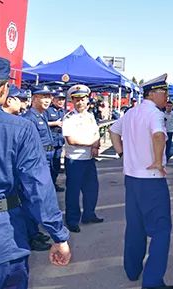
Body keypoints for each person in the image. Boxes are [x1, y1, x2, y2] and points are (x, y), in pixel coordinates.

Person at [0, 56, 71, 288]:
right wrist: (58, 235)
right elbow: (38, 187)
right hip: (2, 239)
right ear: (4, 90)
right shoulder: (20, 128)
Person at [110, 74, 173, 289]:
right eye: (164, 92)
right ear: (153, 93)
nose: (166, 96)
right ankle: (153, 281)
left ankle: (132, 270)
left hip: (132, 178)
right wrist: (158, 160)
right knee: (161, 229)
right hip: (151, 179)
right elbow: (158, 136)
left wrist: (121, 153)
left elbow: (113, 130)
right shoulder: (154, 114)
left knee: (135, 226)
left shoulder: (131, 112)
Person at [62, 84, 103, 233]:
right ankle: (72, 220)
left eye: (83, 99)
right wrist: (91, 144)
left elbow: (96, 133)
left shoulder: (90, 116)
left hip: (88, 159)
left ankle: (89, 214)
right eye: (76, 99)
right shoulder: (69, 118)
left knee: (92, 189)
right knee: (73, 191)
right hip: (74, 160)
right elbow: (71, 140)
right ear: (72, 101)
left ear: (88, 100)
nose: (80, 102)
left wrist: (95, 145)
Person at [22, 84, 58, 251]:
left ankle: (35, 232)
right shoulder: (29, 117)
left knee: (40, 197)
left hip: (47, 158)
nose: (48, 100)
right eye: (44, 97)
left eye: (49, 97)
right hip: (38, 161)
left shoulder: (41, 115)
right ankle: (31, 236)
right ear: (34, 98)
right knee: (32, 198)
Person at [46, 88, 66, 192]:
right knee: (48, 165)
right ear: (53, 100)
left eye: (63, 99)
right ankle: (48, 186)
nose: (61, 101)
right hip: (50, 143)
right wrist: (55, 123)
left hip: (59, 142)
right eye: (59, 99)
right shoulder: (48, 110)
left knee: (56, 165)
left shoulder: (63, 112)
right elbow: (42, 123)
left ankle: (54, 184)